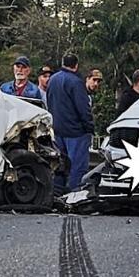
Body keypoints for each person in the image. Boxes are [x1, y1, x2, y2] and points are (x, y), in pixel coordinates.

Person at [47, 53, 94, 192]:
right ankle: (75, 195)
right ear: (76, 65)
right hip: (76, 132)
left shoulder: (52, 80)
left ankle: (56, 193)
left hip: (58, 129)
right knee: (77, 167)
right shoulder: (76, 82)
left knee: (59, 166)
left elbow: (50, 103)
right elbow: (83, 108)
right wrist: (89, 127)